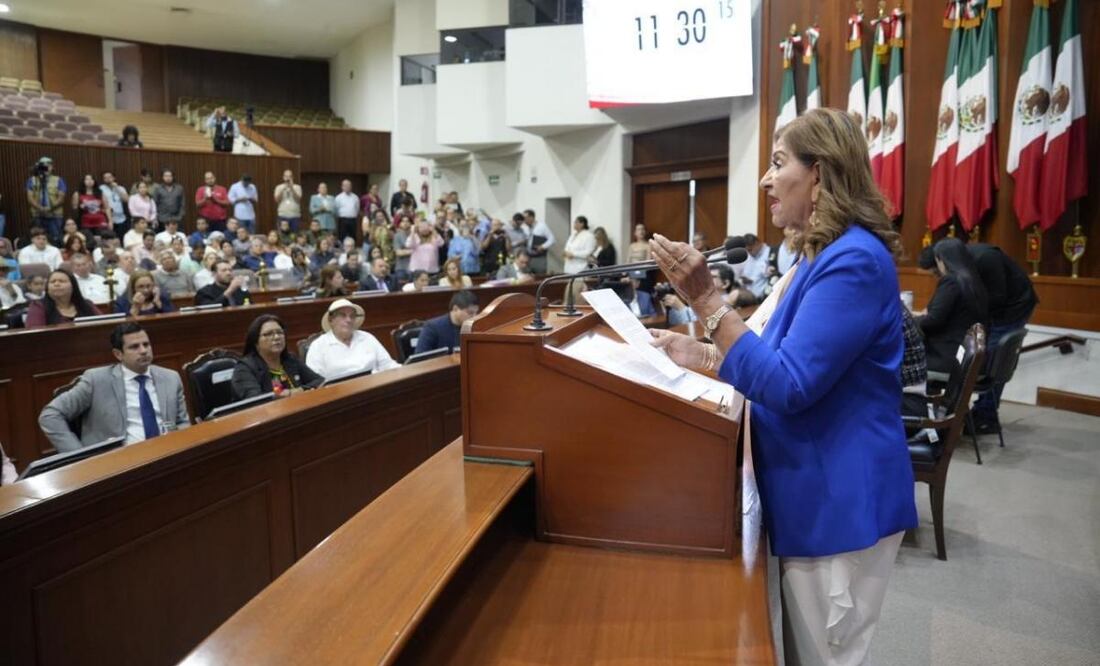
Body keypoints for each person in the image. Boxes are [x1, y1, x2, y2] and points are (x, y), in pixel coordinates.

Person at [647, 108, 917, 666]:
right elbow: (773, 357)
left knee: (822, 658)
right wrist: (697, 351)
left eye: (777, 164)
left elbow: (789, 385)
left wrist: (705, 301)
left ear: (819, 173)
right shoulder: (816, 258)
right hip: (809, 484)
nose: (765, 180)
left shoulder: (854, 262)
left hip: (838, 497)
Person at [38, 322, 190, 452]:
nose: (143, 350)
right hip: (117, 463)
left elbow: (182, 422)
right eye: (134, 347)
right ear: (118, 354)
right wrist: (77, 455)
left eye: (146, 344)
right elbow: (50, 415)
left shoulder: (171, 377)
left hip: (166, 454)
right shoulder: (96, 380)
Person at [916, 238, 989, 379]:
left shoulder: (952, 281)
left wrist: (908, 321)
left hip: (946, 358)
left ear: (941, 260)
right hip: (968, 358)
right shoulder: (975, 280)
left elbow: (933, 321)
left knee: (900, 363)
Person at [231, 314, 322, 399]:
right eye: (269, 334)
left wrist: (298, 390)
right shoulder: (245, 368)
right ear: (255, 341)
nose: (276, 337)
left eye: (280, 332)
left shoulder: (290, 359)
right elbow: (255, 400)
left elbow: (320, 381)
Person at [305, 299, 401, 379]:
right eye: (343, 315)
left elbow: (388, 365)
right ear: (331, 320)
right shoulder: (318, 346)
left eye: (352, 316)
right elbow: (316, 382)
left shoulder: (367, 337)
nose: (349, 320)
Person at [26, 269, 101, 327]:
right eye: (52, 282)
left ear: (73, 286)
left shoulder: (86, 304)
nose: (56, 284)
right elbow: (34, 336)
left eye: (62, 281)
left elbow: (104, 324)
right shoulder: (38, 306)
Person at [415, 290, 479, 354]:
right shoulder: (432, 327)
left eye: (476, 313)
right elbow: (420, 356)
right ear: (455, 309)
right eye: (470, 313)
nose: (474, 317)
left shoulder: (474, 327)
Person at [26, 156, 67, 244]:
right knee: (38, 237)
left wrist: (50, 208)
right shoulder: (32, 180)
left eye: (48, 165)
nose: (46, 167)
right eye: (43, 166)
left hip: (55, 215)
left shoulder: (59, 180)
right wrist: (40, 208)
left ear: (52, 167)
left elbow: (61, 198)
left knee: (56, 238)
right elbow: (30, 197)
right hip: (37, 214)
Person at [739, 233, 773, 299]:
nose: (749, 253)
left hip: (764, 297)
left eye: (750, 250)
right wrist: (746, 280)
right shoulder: (750, 256)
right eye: (747, 251)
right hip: (749, 296)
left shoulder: (770, 253)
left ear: (757, 243)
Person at [523, 209, 555, 274]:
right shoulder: (525, 228)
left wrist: (543, 246)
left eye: (525, 218)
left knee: (539, 276)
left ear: (531, 217)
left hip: (539, 257)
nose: (524, 220)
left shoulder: (541, 226)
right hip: (528, 257)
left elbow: (552, 239)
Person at [100, 171, 130, 236]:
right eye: (105, 178)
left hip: (121, 218)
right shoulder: (101, 189)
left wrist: (117, 188)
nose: (108, 179)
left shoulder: (120, 188)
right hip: (108, 218)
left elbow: (126, 200)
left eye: (109, 177)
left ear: (114, 178)